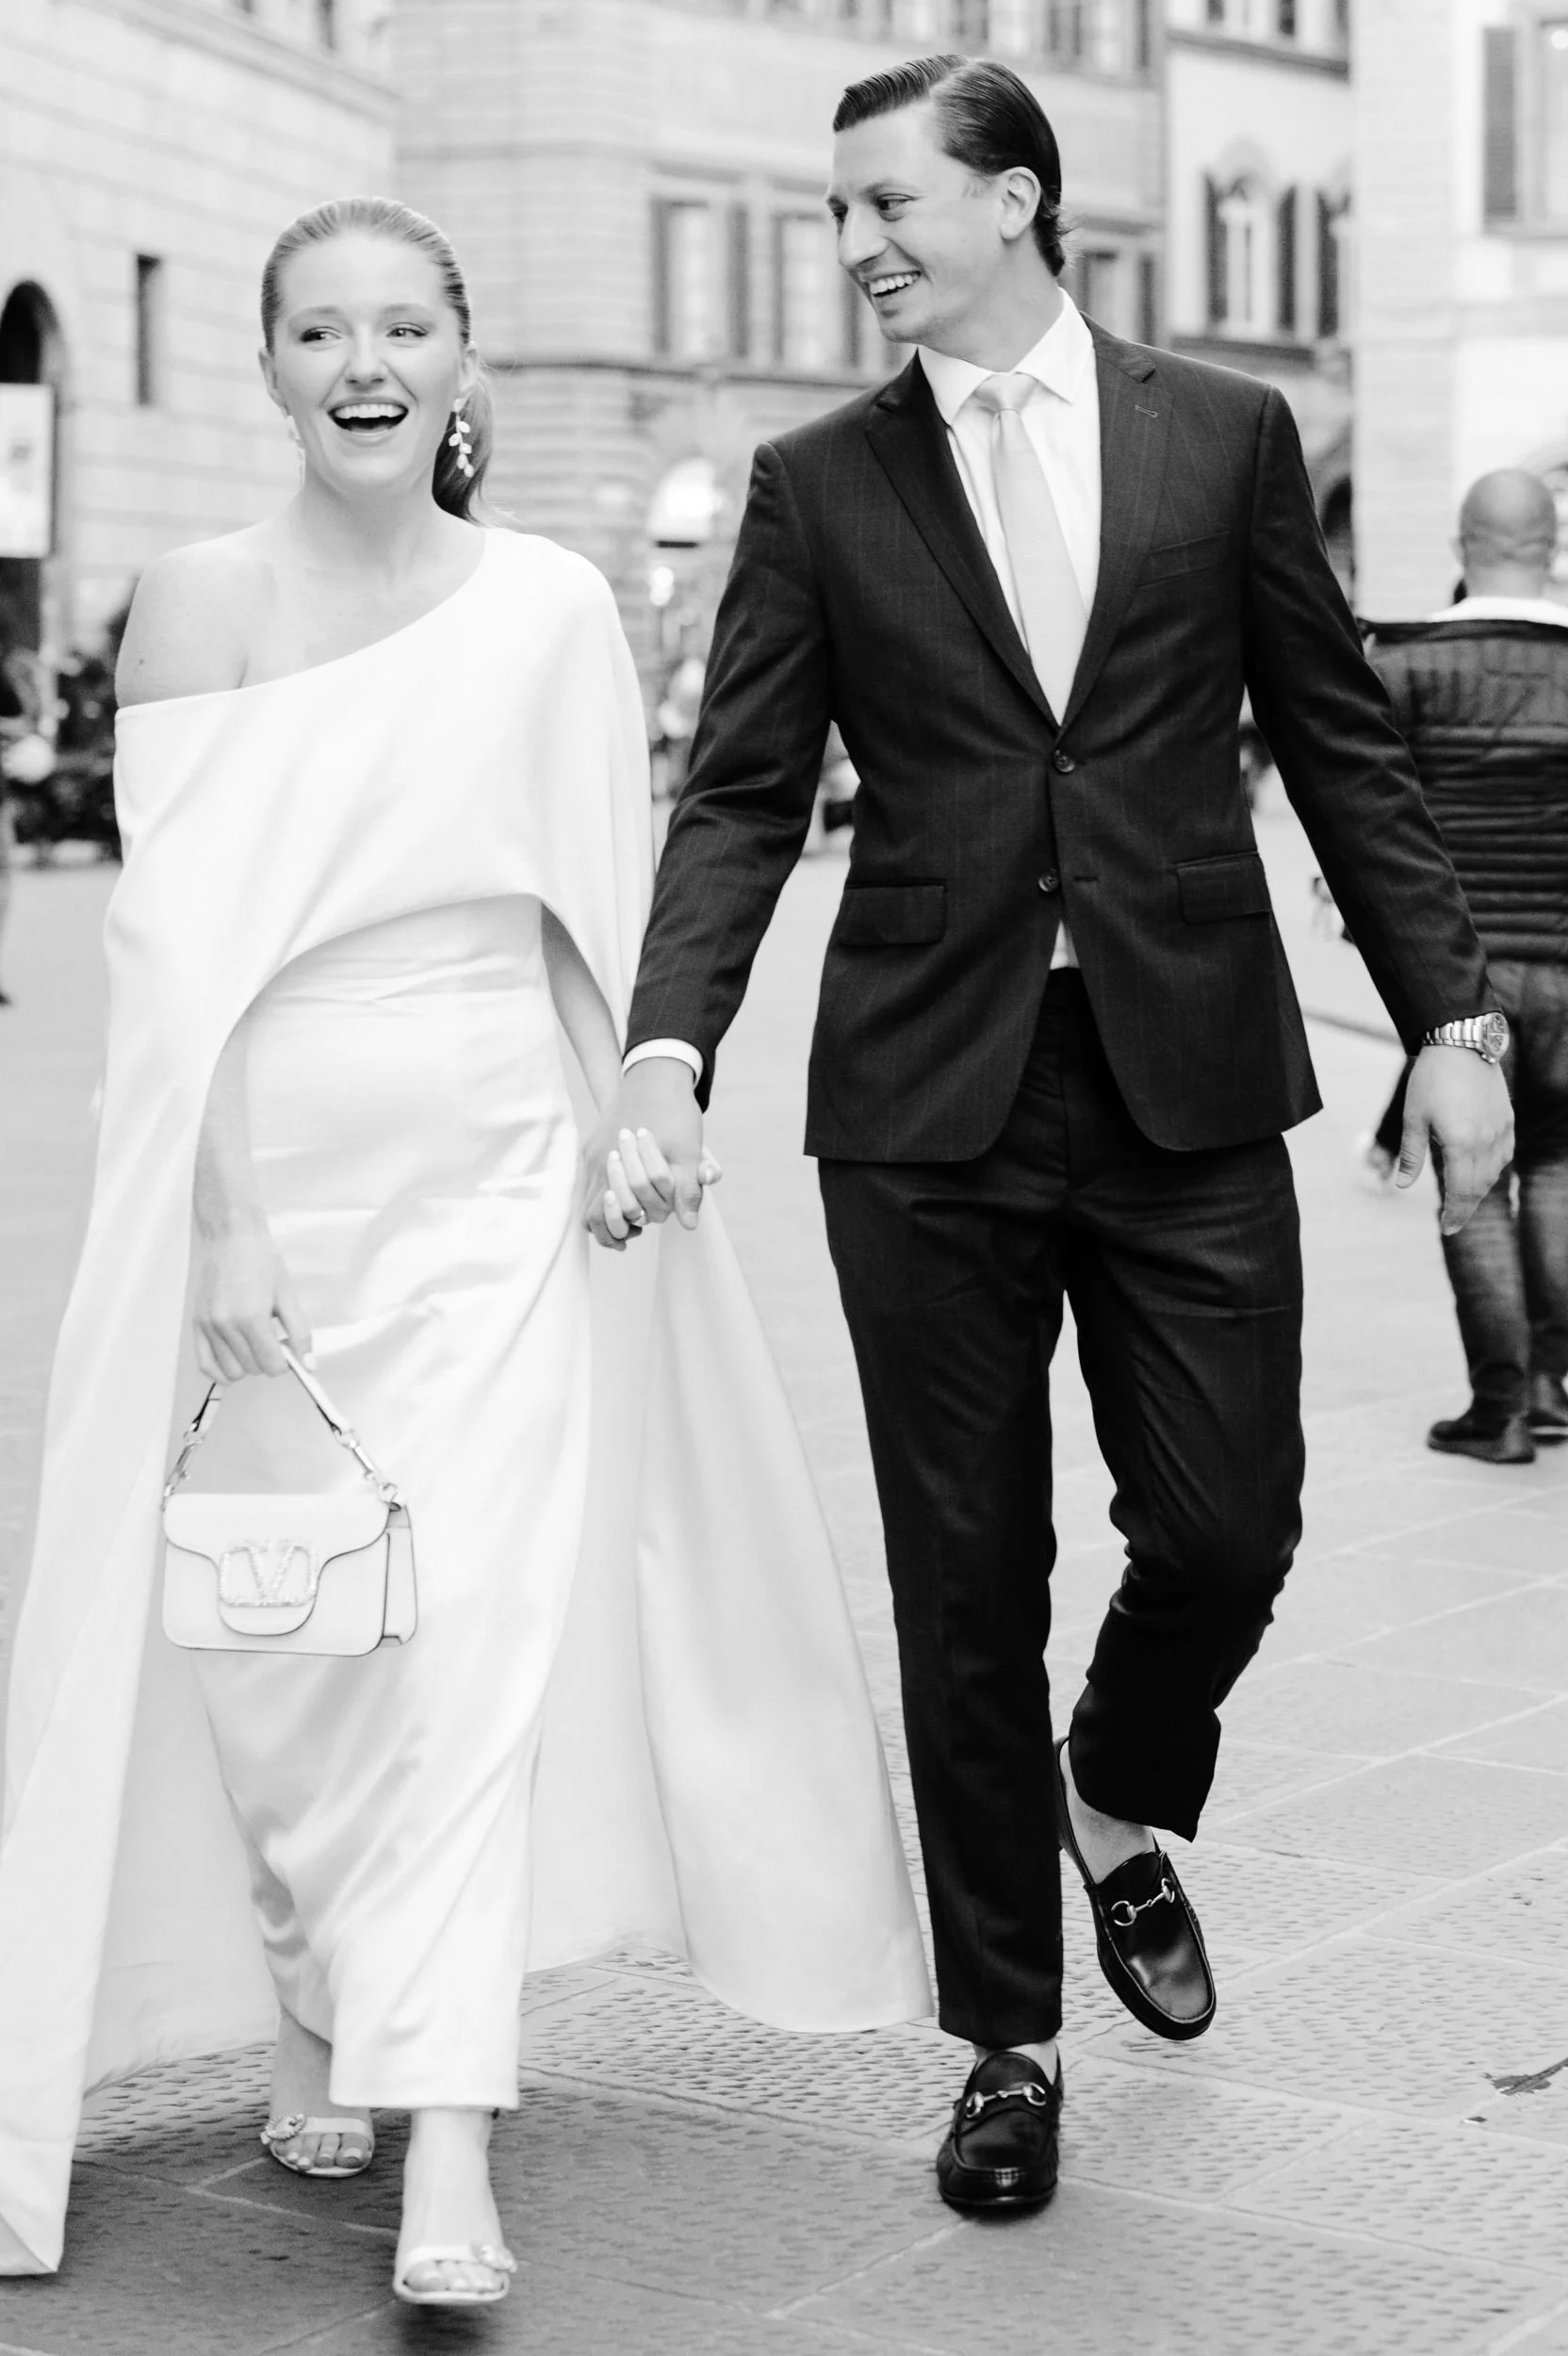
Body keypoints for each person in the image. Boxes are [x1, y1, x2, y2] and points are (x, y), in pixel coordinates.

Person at [584, 56, 1511, 2214]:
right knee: (960, 1574)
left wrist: (1447, 1022)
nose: (858, 244)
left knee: (1225, 1522)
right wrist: (663, 1048)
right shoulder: (814, 483)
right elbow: (737, 790)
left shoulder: (1222, 437)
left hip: (1181, 1072)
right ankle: (1005, 2039)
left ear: (1016, 200)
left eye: (889, 202)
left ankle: (1119, 1780)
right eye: (836, 214)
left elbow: (1339, 743)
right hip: (923, 1104)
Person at [0, 197, 929, 2294]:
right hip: (270, 1189)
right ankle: (316, 1989)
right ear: (266, 362)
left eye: (404, 322)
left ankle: (447, 2140)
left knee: (471, 1646)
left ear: (462, 355)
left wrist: (636, 1112)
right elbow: (173, 965)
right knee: (289, 1651)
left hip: (496, 1181)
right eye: (320, 326)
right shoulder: (192, 604)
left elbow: (586, 912)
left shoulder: (543, 610)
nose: (365, 359)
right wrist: (223, 1212)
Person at [1368, 470, 1568, 1464]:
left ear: (1460, 542)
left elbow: (1375, 826)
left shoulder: (1401, 665)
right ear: (1552, 541)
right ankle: (1546, 1388)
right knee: (1559, 1165)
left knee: (1476, 1181)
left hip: (1462, 972)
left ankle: (1495, 1409)